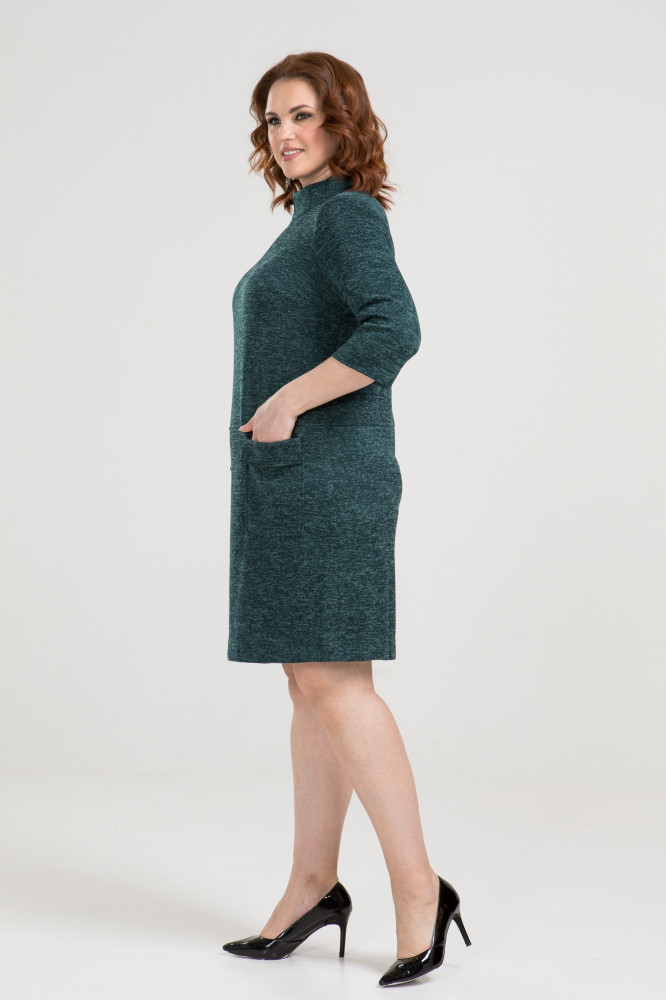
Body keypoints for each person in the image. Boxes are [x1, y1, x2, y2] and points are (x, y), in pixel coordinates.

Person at [222, 52, 471, 987]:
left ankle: (419, 889)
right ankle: (312, 886)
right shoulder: (308, 220)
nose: (286, 134)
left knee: (334, 684)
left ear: (342, 121)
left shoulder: (348, 217)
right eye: (273, 119)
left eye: (302, 115)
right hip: (291, 485)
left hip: (331, 482)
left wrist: (288, 400)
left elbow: (393, 329)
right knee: (308, 683)